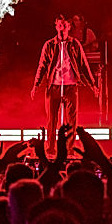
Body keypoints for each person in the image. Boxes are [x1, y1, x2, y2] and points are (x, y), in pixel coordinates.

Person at [31, 15, 98, 155]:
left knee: (71, 121)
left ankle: (69, 150)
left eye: (64, 25)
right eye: (59, 25)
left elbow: (84, 65)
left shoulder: (75, 44)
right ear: (56, 26)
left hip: (70, 86)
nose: (62, 28)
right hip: (53, 86)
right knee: (51, 120)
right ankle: (50, 148)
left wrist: (93, 84)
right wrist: (36, 84)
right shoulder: (49, 45)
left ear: (68, 27)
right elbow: (42, 65)